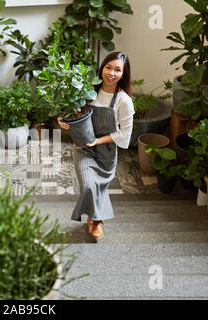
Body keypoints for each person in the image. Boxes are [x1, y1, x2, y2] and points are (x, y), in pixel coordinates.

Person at [57, 52, 134, 240]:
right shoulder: (88, 90)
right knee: (89, 185)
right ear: (101, 69)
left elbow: (125, 134)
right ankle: (97, 219)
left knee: (97, 187)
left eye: (117, 70)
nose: (111, 73)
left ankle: (93, 217)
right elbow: (72, 111)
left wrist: (98, 141)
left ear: (123, 74)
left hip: (106, 152)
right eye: (108, 67)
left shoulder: (124, 101)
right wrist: (63, 120)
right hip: (84, 147)